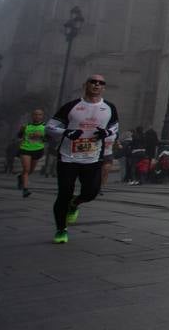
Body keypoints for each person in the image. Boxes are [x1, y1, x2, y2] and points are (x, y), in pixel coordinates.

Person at [48, 75, 119, 243]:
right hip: (68, 157)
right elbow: (50, 127)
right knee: (64, 193)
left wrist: (107, 133)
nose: (96, 85)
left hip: (93, 157)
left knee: (91, 192)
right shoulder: (71, 106)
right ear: (85, 85)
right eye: (93, 82)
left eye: (101, 83)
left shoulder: (109, 107)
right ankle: (61, 229)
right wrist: (66, 132)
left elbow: (115, 128)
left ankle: (75, 203)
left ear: (104, 88)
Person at [16, 109, 47, 197]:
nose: (37, 116)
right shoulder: (26, 126)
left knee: (30, 170)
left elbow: (49, 139)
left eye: (39, 115)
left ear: (42, 116)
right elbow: (19, 136)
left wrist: (41, 136)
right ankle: (25, 189)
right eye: (35, 114)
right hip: (25, 149)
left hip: (38, 149)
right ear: (32, 116)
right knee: (26, 169)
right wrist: (21, 131)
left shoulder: (45, 127)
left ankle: (20, 177)